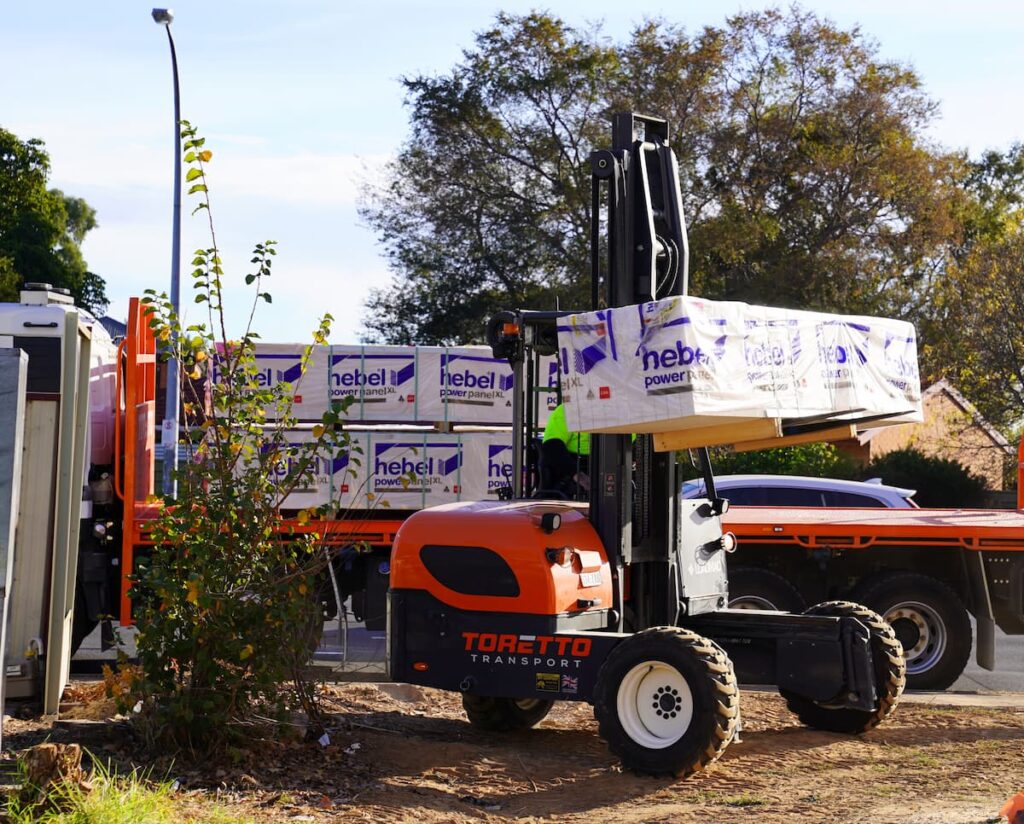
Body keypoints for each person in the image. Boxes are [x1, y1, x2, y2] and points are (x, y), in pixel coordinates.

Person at [540, 403, 590, 497]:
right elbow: (552, 447)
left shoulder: (617, 412)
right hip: (577, 470)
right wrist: (578, 475)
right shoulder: (568, 410)